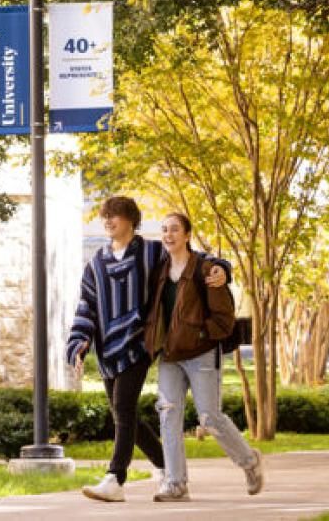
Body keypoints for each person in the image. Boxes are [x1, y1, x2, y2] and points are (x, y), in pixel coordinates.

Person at [66, 196, 230, 503]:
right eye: (105, 217)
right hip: (107, 350)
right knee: (122, 413)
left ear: (131, 220)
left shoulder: (152, 253)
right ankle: (168, 469)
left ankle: (115, 478)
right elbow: (86, 306)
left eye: (114, 216)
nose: (108, 222)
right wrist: (80, 341)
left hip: (139, 343)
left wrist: (220, 267)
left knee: (124, 409)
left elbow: (190, 259)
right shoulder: (96, 265)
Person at [144, 212, 264, 502]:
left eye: (174, 230)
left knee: (209, 416)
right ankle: (175, 484)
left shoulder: (207, 269)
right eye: (164, 230)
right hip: (170, 356)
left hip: (201, 353)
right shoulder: (159, 271)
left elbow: (224, 319)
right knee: (168, 414)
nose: (168, 235)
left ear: (187, 235)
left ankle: (249, 462)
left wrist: (199, 335)